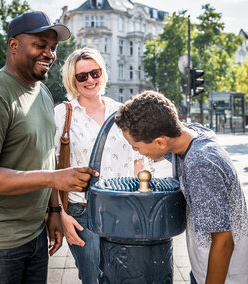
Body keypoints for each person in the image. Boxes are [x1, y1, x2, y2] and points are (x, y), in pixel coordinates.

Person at [0, 11, 99, 284]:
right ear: (13, 45)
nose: (49, 54)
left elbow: (45, 158)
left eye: (53, 48)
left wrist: (55, 210)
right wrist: (55, 179)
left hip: (33, 234)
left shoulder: (41, 92)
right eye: (40, 45)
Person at [115, 91, 248, 284]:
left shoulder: (200, 163)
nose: (137, 151)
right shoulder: (191, 135)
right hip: (209, 267)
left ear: (161, 142)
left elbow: (223, 241)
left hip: (228, 275)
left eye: (136, 146)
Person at [55, 47, 143, 284]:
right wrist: (60, 215)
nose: (90, 80)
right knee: (93, 278)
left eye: (94, 73)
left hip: (126, 210)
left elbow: (138, 160)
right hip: (83, 212)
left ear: (103, 73)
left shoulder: (122, 112)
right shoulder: (62, 114)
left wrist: (142, 206)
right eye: (81, 76)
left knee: (126, 277)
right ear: (72, 80)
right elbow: (50, 169)